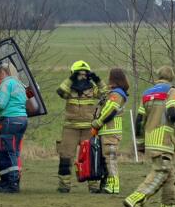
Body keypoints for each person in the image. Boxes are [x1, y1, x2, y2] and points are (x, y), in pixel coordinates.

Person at [123, 66, 175, 207]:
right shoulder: (172, 91)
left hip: (150, 139)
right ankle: (135, 199)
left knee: (170, 173)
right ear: (172, 78)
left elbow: (139, 121)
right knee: (161, 171)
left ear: (158, 77)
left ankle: (169, 206)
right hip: (164, 139)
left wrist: (140, 144)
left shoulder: (147, 94)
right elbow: (174, 113)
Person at [55, 60, 106, 193]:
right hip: (70, 128)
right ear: (73, 74)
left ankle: (93, 186)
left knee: (92, 157)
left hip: (89, 129)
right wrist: (71, 79)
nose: (82, 77)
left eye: (85, 74)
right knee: (66, 157)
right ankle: (64, 186)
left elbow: (106, 94)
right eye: (79, 74)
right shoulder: (69, 89)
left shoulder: (92, 89)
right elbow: (60, 91)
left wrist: (97, 80)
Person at [0, 61, 28, 193]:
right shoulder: (19, 84)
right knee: (15, 151)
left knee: (7, 151)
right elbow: (15, 105)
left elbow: (1, 104)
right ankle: (9, 181)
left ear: (4, 72)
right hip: (22, 120)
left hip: (11, 122)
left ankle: (12, 183)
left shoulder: (6, 84)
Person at [91, 68, 129, 194]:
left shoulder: (117, 94)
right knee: (106, 158)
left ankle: (114, 186)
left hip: (110, 130)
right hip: (107, 131)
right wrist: (96, 80)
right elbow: (100, 92)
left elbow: (110, 110)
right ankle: (109, 184)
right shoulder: (113, 92)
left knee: (110, 158)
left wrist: (98, 123)